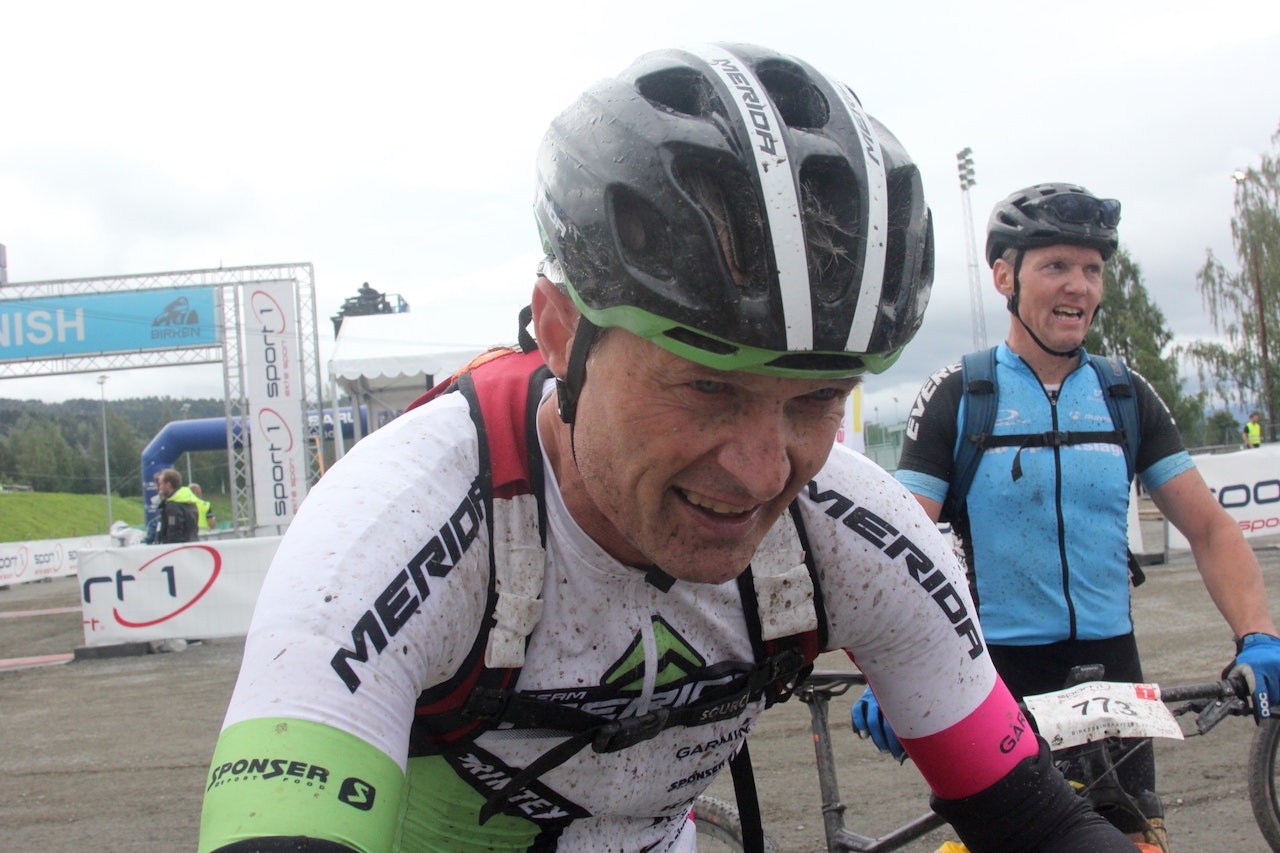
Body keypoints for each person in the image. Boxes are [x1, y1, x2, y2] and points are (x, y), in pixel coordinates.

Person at [199, 47, 1136, 853]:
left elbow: (1036, 824)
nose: (764, 469)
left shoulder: (846, 527)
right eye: (707, 386)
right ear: (562, 331)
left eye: (817, 398)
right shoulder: (391, 524)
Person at [855, 182, 1280, 851]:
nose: (1079, 287)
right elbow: (893, 547)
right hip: (996, 684)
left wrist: (1258, 633)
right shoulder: (961, 394)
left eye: (1092, 269)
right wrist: (889, 670)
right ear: (1004, 276)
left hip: (1116, 680)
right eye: (1056, 266)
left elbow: (1210, 528)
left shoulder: (1124, 393)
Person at [154, 468, 200, 544]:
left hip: (177, 550)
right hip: (192, 544)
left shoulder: (173, 505)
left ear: (168, 485)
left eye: (161, 484)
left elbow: (174, 531)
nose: (159, 488)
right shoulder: (189, 501)